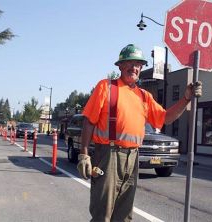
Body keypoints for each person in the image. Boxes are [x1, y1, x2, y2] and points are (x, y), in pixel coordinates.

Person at [77, 44, 202, 222]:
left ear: (141, 68)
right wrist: (84, 154)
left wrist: (186, 98)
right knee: (102, 214)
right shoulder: (106, 87)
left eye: (138, 64)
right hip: (108, 157)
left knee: (124, 214)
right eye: (129, 63)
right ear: (120, 66)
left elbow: (166, 118)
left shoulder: (144, 96)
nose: (134, 67)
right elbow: (89, 121)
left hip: (134, 157)